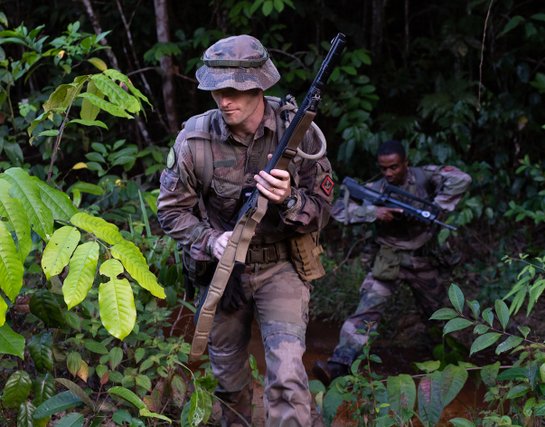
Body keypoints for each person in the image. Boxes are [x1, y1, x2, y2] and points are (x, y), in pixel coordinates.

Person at [156, 34, 334, 426]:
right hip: (222, 270)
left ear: (260, 86)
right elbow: (170, 210)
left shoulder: (298, 133)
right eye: (217, 89)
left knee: (287, 375)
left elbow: (323, 211)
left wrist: (289, 199)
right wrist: (209, 239)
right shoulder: (195, 139)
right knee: (228, 381)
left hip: (280, 265)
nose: (225, 99)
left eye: (236, 89)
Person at [313, 140, 471, 385]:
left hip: (423, 259)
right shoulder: (376, 189)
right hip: (388, 260)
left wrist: (435, 208)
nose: (389, 173)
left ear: (405, 163)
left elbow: (462, 179)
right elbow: (338, 210)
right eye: (384, 168)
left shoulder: (423, 178)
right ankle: (339, 364)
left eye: (394, 167)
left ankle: (451, 362)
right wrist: (372, 213)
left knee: (440, 314)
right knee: (366, 311)